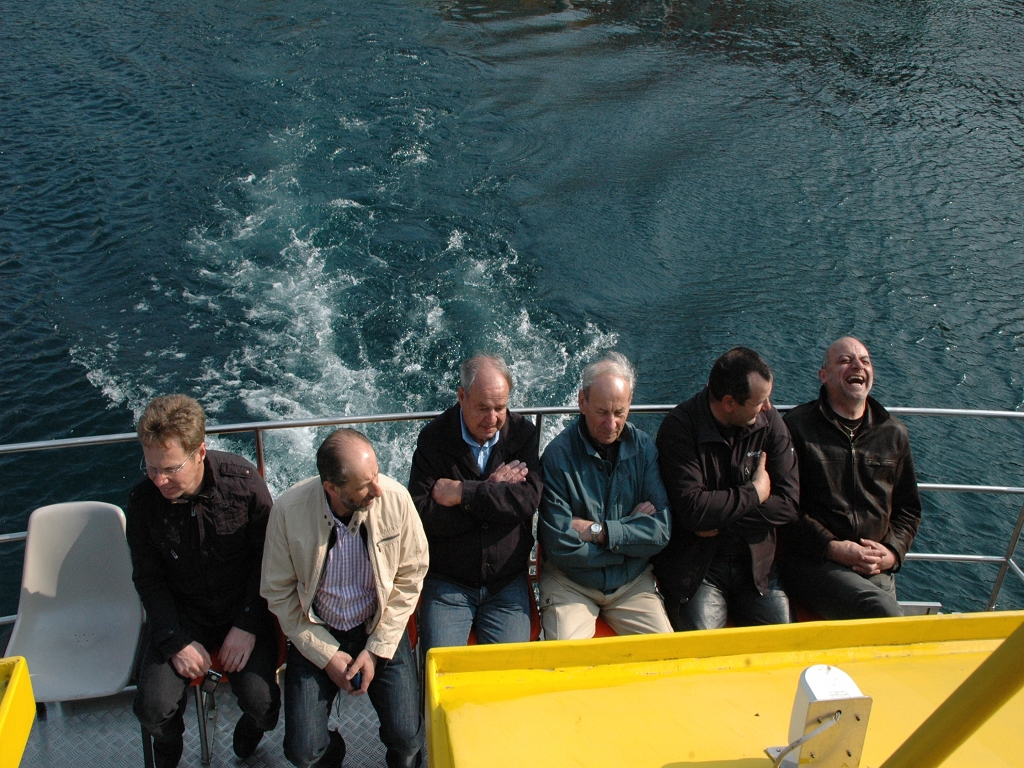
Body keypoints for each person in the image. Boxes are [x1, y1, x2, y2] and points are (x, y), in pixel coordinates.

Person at [126, 395, 280, 768]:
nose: (159, 480)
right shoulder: (143, 502)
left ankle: (251, 732)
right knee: (152, 709)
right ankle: (169, 745)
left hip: (241, 609)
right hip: (181, 615)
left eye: (169, 469)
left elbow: (269, 560)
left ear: (199, 452)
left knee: (265, 707)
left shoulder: (244, 484)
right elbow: (148, 579)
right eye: (151, 468)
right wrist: (175, 640)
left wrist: (247, 624)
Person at [261, 429, 429, 768]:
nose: (378, 489)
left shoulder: (396, 499)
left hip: (377, 625)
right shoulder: (288, 511)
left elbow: (412, 575)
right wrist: (325, 654)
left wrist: (376, 649)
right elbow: (277, 592)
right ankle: (331, 753)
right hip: (317, 628)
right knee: (302, 752)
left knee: (408, 738)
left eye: (376, 475)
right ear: (332, 488)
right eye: (365, 485)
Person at [653, 347, 799, 631]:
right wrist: (755, 493)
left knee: (784, 640)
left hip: (756, 567)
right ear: (729, 402)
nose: (768, 408)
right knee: (703, 646)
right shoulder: (680, 428)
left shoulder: (769, 422)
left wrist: (718, 522)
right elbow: (693, 510)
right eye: (760, 402)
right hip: (699, 569)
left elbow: (788, 503)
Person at [408, 355, 542, 653]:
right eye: (483, 408)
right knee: (441, 668)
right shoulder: (434, 439)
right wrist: (494, 494)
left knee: (509, 672)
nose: (492, 419)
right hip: (448, 582)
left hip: (506, 583)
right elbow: (422, 514)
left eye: (500, 408)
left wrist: (463, 493)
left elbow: (526, 501)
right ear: (461, 396)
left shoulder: (522, 434)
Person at [781, 336, 921, 619]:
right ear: (824, 376)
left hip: (874, 566)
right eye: (845, 360)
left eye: (865, 361)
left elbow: (908, 509)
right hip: (816, 562)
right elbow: (785, 509)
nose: (858, 365)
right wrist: (832, 548)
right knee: (885, 613)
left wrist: (892, 553)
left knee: (883, 618)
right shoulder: (796, 427)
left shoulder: (893, 433)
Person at [537, 352, 673, 640]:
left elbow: (660, 532)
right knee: (566, 660)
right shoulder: (557, 457)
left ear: (630, 402)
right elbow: (558, 544)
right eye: (602, 412)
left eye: (619, 412)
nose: (611, 424)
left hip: (631, 584)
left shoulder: (644, 449)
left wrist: (599, 532)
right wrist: (629, 535)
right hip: (572, 584)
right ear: (582, 402)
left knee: (666, 656)